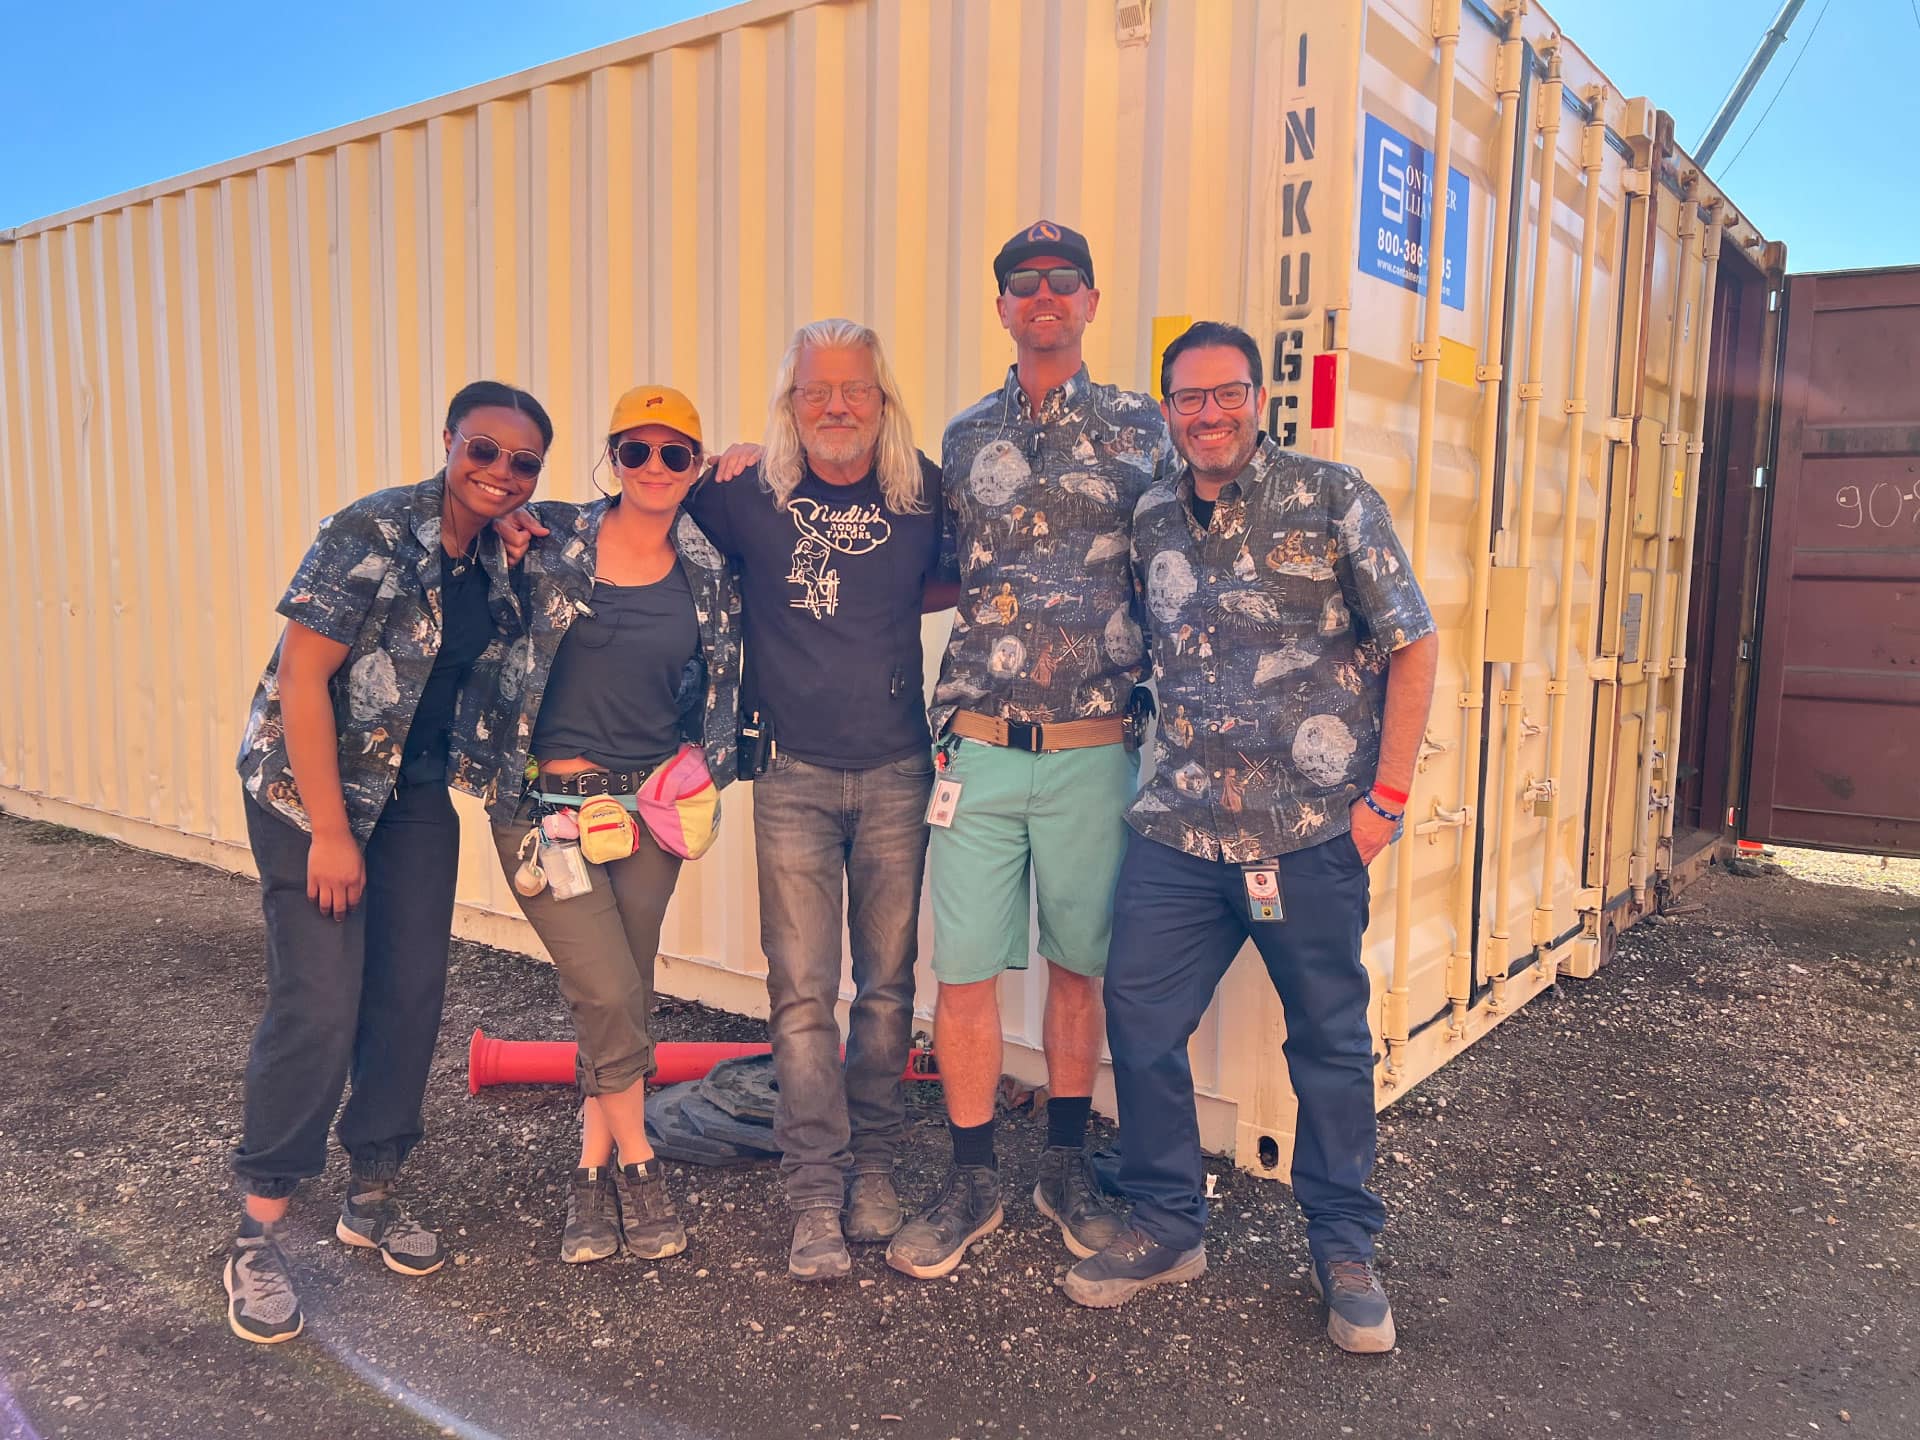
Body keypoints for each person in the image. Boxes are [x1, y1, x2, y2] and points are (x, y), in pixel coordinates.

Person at [1061, 322, 1439, 1358]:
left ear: (1257, 398)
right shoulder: (1148, 517)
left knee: (1327, 1040)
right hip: (1179, 831)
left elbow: (1412, 643)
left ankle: (1346, 1249)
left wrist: (1387, 802)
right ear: (1168, 408)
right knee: (1139, 1019)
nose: (1208, 415)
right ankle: (1168, 1223)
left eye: (1226, 394)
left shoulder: (1332, 497)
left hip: (1309, 833)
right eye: (1188, 399)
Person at [225, 380, 554, 1344]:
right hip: (310, 790)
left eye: (522, 462)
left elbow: (621, 517)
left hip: (411, 796)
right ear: (449, 440)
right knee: (320, 1002)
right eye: (484, 450)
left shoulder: (498, 550)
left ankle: (371, 1192)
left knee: (410, 994)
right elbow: (302, 677)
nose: (499, 472)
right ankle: (256, 1230)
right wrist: (329, 830)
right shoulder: (369, 530)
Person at [885, 222, 1171, 1281]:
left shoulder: (1147, 429)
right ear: (1001, 306)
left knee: (1078, 967)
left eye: (1063, 282)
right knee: (961, 973)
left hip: (1096, 748)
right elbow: (916, 557)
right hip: (981, 747)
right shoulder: (963, 440)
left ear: (1091, 301)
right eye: (1022, 283)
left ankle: (1062, 1163)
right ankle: (969, 1177)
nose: (1043, 297)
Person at [688, 319, 953, 1281]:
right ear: (789, 401)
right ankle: (813, 1193)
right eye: (816, 392)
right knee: (802, 995)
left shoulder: (925, 494)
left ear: (882, 399)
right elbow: (640, 511)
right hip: (791, 776)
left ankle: (875, 1169)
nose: (835, 408)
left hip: (896, 773)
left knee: (885, 990)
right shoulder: (746, 494)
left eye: (854, 390)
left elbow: (948, 582)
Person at [489, 385, 740, 1267]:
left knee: (627, 988)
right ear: (612, 458)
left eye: (677, 454)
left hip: (645, 810)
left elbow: (723, 679)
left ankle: (588, 1169)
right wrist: (503, 525)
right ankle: (639, 1162)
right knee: (603, 990)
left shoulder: (709, 568)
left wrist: (712, 763)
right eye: (637, 451)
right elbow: (471, 514)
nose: (655, 469)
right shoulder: (546, 535)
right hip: (545, 811)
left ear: (696, 467)